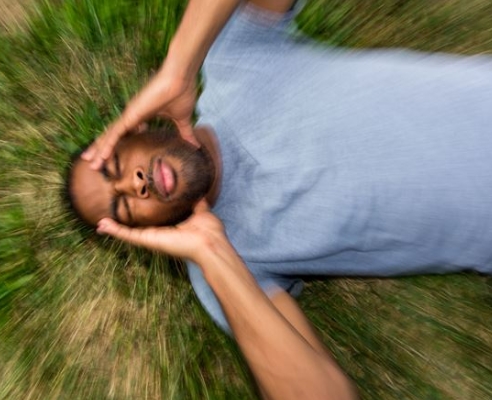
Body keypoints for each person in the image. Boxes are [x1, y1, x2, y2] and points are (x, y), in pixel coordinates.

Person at [69, 0, 492, 398]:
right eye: (124, 206)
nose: (134, 184)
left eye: (116, 165)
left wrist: (179, 68)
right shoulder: (229, 268)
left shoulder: (233, 59)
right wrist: (213, 253)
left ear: (136, 129)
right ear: (147, 231)